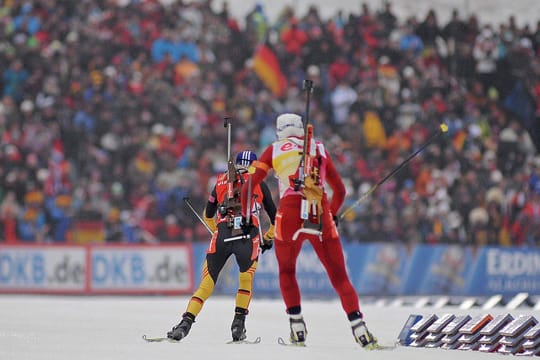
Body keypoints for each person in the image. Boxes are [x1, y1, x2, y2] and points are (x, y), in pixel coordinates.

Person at [241, 113, 378, 348]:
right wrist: (332, 213)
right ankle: (360, 328)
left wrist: (245, 217)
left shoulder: (274, 149)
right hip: (319, 211)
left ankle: (297, 326)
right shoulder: (319, 148)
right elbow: (340, 190)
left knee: (287, 270)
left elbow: (250, 186)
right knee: (339, 276)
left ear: (279, 130)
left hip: (289, 214)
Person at [167, 150, 276, 342]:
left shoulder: (220, 181)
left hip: (222, 234)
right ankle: (238, 326)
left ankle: (185, 324)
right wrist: (267, 237)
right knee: (245, 282)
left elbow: (208, 215)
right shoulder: (260, 183)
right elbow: (276, 218)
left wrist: (216, 231)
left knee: (205, 286)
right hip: (248, 237)